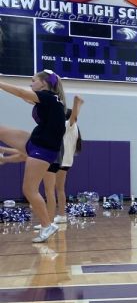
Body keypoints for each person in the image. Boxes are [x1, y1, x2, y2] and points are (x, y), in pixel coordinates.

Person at [0, 70, 68, 243]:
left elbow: (22, 93)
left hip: (44, 148)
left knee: (29, 190)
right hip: (35, 141)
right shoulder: (49, 99)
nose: (31, 84)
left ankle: (47, 225)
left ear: (43, 83)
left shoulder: (49, 97)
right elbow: (26, 97)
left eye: (33, 80)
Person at [43, 96, 84, 225]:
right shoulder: (73, 127)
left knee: (51, 190)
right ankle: (61, 215)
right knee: (59, 190)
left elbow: (74, 117)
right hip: (65, 162)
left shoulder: (69, 125)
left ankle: (50, 219)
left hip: (60, 162)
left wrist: (77, 103)